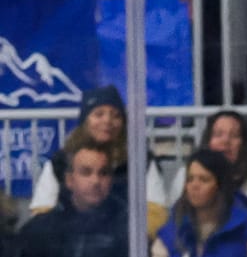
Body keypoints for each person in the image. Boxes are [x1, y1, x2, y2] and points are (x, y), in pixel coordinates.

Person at [28, 85, 168, 230]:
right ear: (85, 121)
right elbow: (42, 210)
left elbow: (155, 211)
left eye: (116, 115)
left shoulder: (141, 161)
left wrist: (123, 238)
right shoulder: (60, 162)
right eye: (99, 114)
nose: (107, 121)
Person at [165, 111, 247, 230]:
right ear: (207, 141)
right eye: (218, 135)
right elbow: (174, 224)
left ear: (244, 144)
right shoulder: (186, 174)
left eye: (234, 135)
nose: (225, 141)